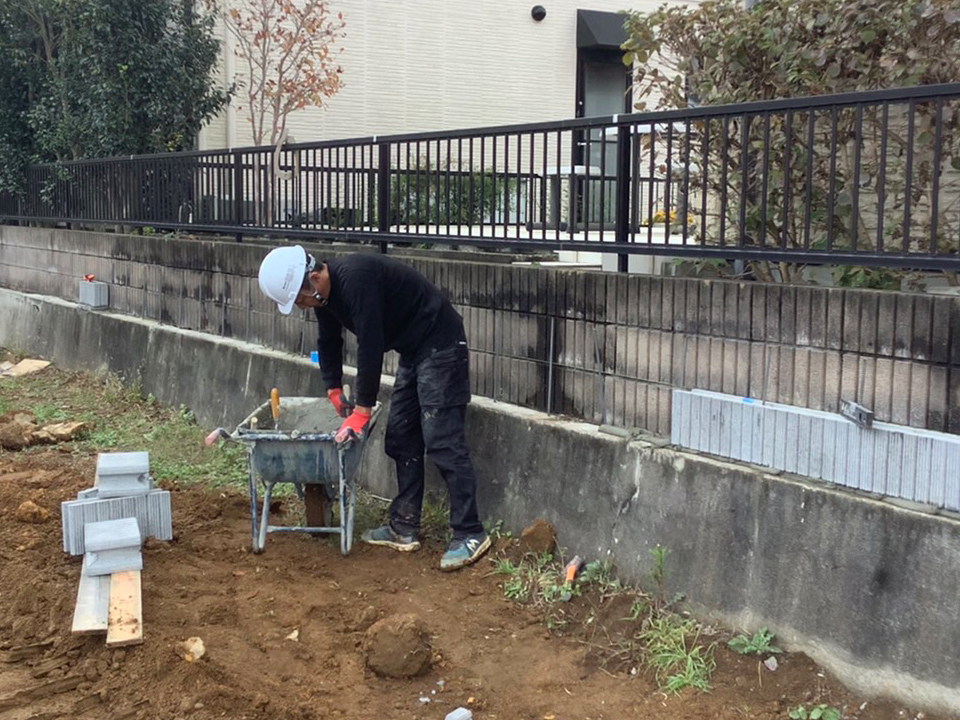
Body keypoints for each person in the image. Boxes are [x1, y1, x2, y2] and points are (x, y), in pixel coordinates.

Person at [257, 245, 491, 571]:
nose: (301, 305)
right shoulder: (325, 297)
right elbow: (329, 340)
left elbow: (371, 343)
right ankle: (404, 526)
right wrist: (333, 387)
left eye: (300, 298)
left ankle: (470, 532)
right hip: (415, 350)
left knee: (442, 440)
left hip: (441, 344)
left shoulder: (356, 278)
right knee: (400, 436)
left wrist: (361, 410)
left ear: (313, 278)